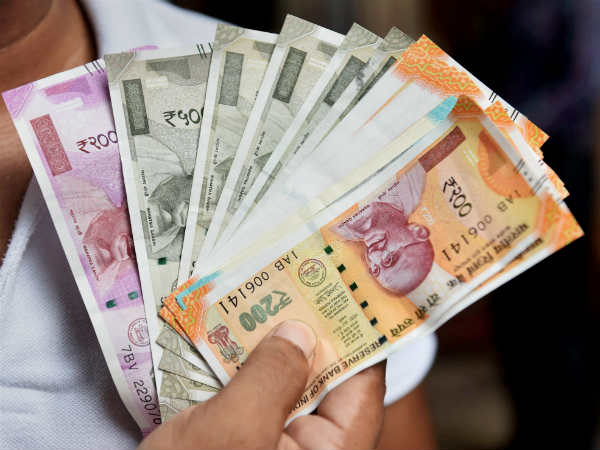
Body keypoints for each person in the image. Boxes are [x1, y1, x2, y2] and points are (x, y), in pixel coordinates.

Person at [0, 0, 437, 448]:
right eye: (391, 258)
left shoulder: (321, 112)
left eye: (378, 267)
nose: (375, 257)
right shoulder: (399, 180)